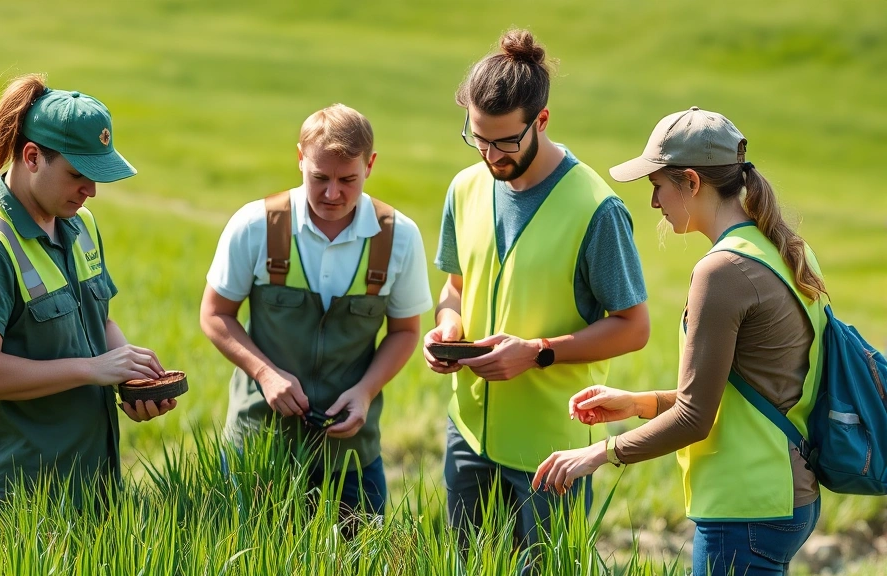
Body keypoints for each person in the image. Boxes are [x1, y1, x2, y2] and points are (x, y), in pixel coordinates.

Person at [532, 107, 827, 575]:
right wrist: (638, 403)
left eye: (657, 185)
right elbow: (743, 393)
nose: (653, 202)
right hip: (786, 495)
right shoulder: (784, 249)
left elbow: (695, 418)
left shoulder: (721, 272)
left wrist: (599, 453)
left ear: (691, 181)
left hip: (744, 507)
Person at [423, 29, 650, 553]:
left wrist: (538, 353)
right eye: (478, 137)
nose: (490, 155)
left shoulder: (597, 209)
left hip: (553, 456)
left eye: (505, 141)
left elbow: (634, 328)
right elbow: (455, 286)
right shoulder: (465, 187)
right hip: (468, 437)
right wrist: (449, 324)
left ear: (541, 121)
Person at [0, 74, 176, 516]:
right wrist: (92, 368)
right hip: (16, 491)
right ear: (32, 157)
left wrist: (131, 378)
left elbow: (98, 321)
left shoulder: (82, 224)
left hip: (89, 480)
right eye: (78, 174)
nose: (91, 190)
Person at [200, 103, 431, 516]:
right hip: (258, 445)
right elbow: (215, 314)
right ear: (299, 159)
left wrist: (365, 391)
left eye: (348, 180)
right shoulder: (255, 225)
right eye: (319, 177)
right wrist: (265, 374)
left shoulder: (399, 237)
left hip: (351, 452)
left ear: (370, 165)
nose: (332, 194)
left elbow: (405, 332)